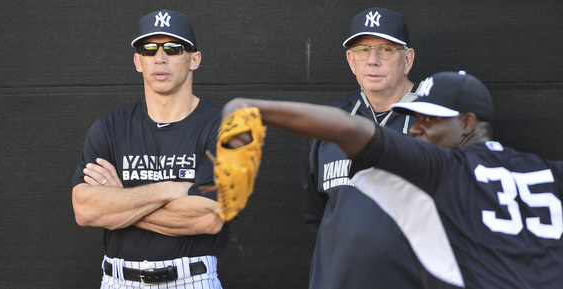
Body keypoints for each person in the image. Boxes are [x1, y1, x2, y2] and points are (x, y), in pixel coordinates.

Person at [221, 71, 563, 288]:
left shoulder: (444, 166)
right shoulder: (550, 172)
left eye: (430, 119)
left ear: (468, 124)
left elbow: (348, 128)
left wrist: (249, 106)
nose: (416, 128)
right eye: (414, 117)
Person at [71, 9, 228, 289]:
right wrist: (169, 189)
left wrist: (119, 201)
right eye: (148, 48)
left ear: (195, 59)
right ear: (137, 61)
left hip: (191, 279)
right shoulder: (109, 127)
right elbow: (85, 210)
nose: (160, 57)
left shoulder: (223, 127)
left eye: (173, 47)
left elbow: (209, 217)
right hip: (119, 280)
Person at [301, 7, 424, 288]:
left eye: (386, 49)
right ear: (350, 60)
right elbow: (316, 214)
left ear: (407, 60)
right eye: (361, 50)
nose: (373, 61)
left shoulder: (441, 126)